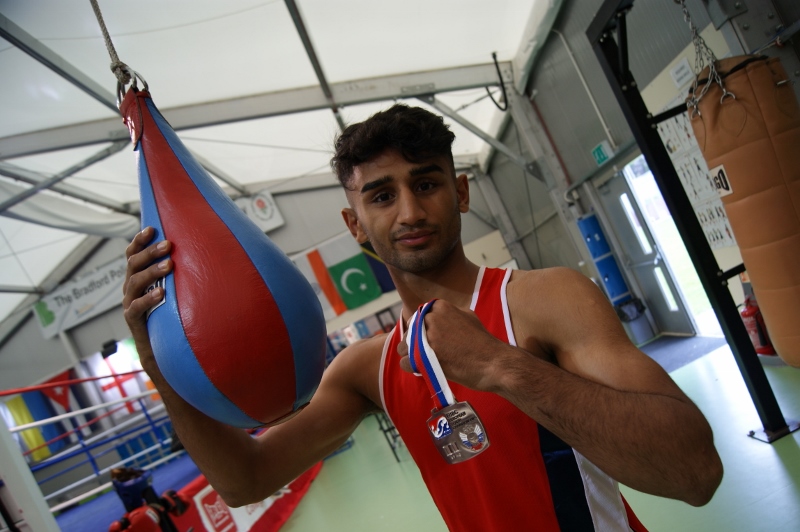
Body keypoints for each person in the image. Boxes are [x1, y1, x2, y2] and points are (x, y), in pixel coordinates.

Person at [123, 104, 723, 531]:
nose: (410, 210)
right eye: (382, 195)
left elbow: (695, 471)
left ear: (459, 193)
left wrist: (503, 367)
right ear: (355, 224)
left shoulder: (546, 299)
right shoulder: (368, 367)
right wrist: (157, 361)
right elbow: (246, 479)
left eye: (427, 183)